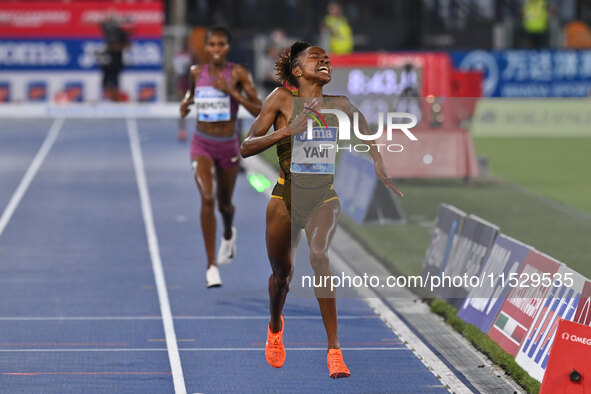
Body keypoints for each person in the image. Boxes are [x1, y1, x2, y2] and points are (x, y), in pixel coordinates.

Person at [240, 42, 402, 378]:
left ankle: (334, 350)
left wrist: (378, 161)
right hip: (285, 196)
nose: (325, 59)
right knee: (282, 277)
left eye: (326, 57)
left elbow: (363, 127)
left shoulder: (339, 104)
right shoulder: (280, 100)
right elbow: (245, 147)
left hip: (323, 196)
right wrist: (287, 131)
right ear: (297, 70)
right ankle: (274, 326)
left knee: (319, 256)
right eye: (316, 57)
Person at [180, 26, 262, 288]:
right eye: (212, 45)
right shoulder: (197, 73)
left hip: (228, 147)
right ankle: (211, 266)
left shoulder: (237, 73)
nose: (216, 49)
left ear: (227, 47)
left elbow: (258, 109)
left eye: (221, 45)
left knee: (225, 205)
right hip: (202, 144)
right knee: (207, 197)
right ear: (205, 48)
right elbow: (190, 97)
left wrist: (232, 92)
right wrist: (184, 105)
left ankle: (228, 232)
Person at [100, 12, 130, 101]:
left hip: (117, 59)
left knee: (115, 79)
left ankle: (116, 98)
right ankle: (106, 97)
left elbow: (127, 44)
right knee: (105, 79)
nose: (110, 23)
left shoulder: (120, 32)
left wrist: (116, 47)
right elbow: (102, 25)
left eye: (111, 20)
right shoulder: (109, 32)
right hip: (107, 60)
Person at [173, 36, 194, 142]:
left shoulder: (192, 54)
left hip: (190, 83)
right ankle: (182, 129)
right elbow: (176, 69)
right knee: (183, 104)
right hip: (181, 82)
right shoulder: (178, 55)